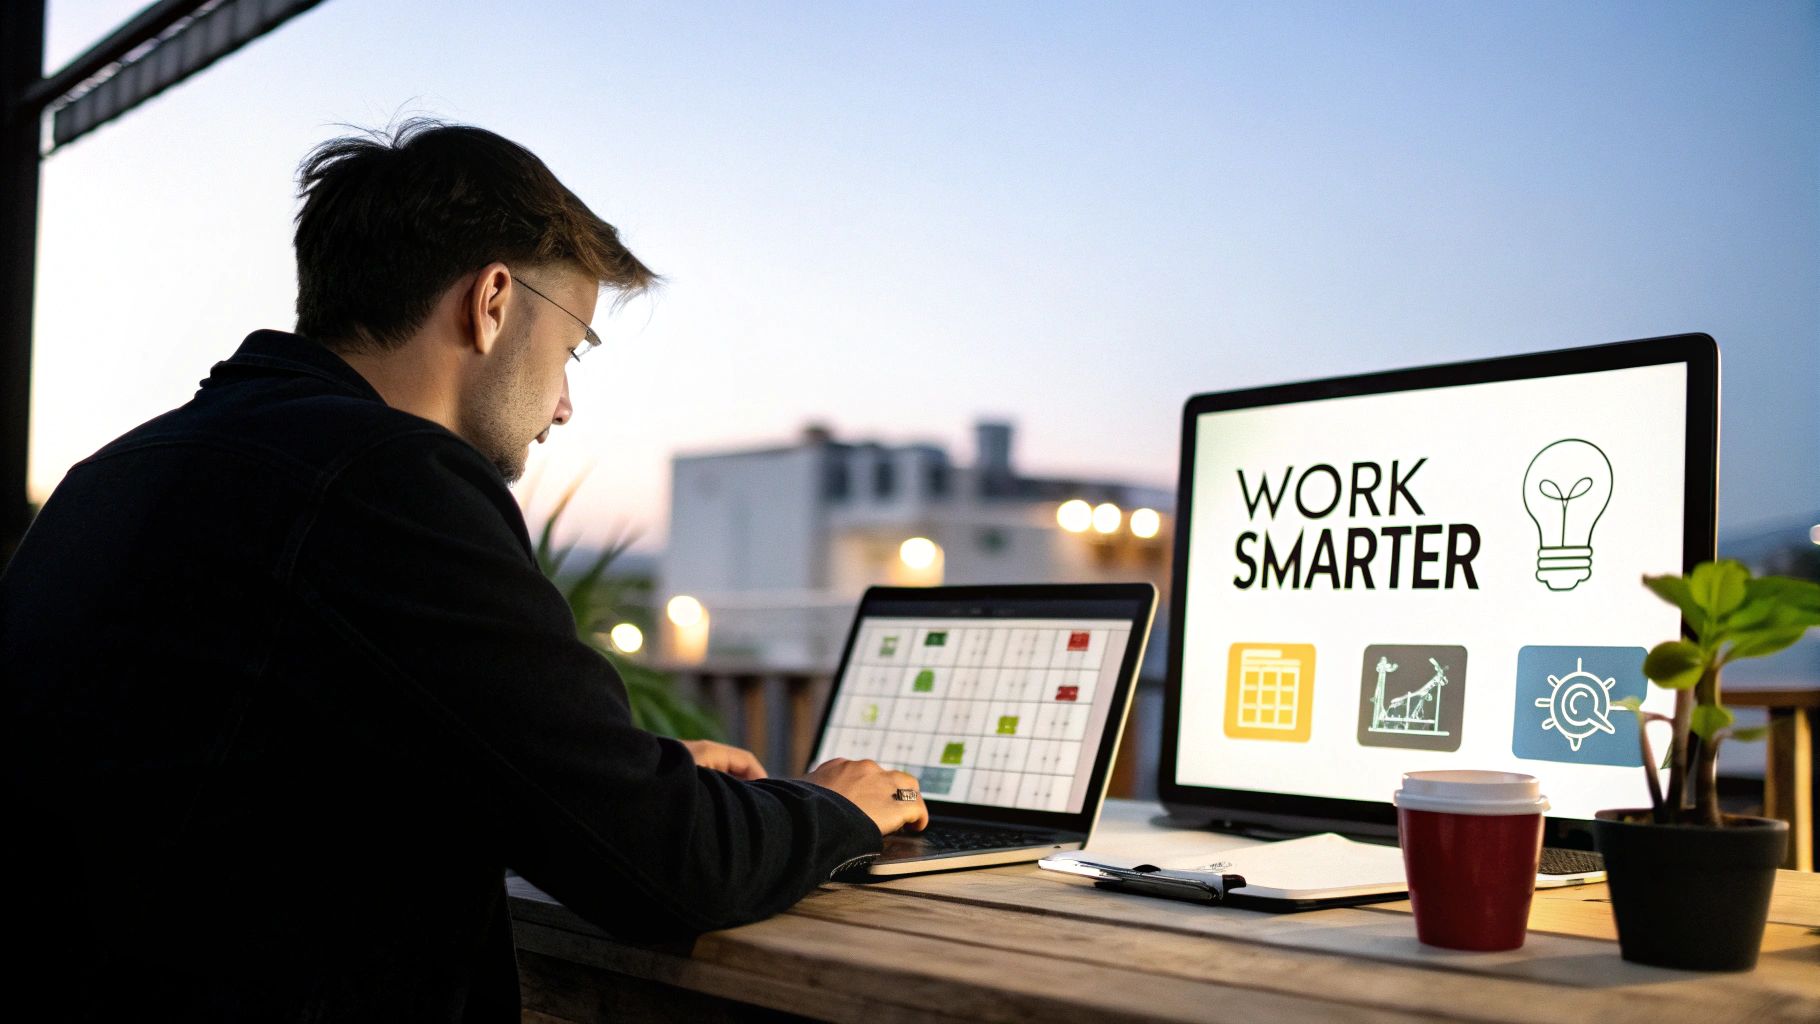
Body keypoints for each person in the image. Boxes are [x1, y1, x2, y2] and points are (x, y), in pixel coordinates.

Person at [0, 119, 925, 1021]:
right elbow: (669, 868)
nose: (563, 404)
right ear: (491, 303)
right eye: (571, 348)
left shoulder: (121, 471)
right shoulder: (385, 477)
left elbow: (253, 767)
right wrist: (828, 807)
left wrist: (607, 773)